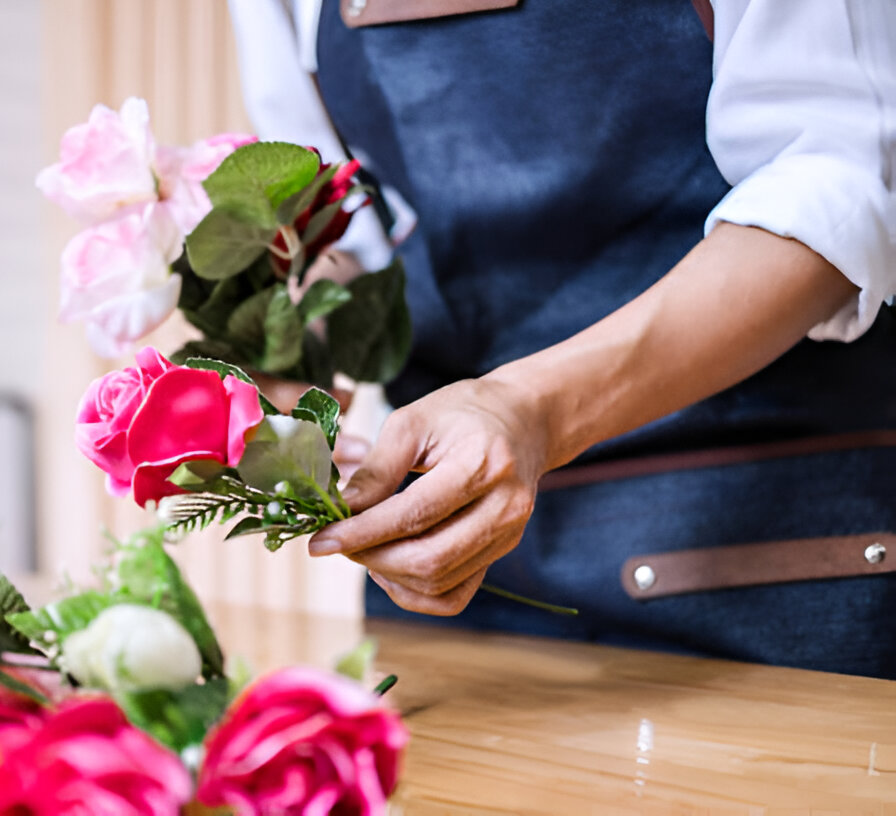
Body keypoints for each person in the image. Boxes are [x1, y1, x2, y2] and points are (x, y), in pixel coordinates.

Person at [228, 0, 896, 678]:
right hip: (448, 586)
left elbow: (834, 190)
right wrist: (284, 352)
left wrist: (527, 409)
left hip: (765, 553)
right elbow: (350, 233)